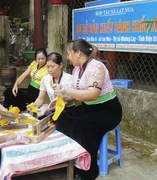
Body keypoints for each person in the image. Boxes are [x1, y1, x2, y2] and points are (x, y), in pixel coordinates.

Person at [52, 39, 122, 180]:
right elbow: (76, 93)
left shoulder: (96, 67)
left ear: (78, 53)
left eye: (69, 53)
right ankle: (72, 159)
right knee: (62, 117)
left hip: (108, 110)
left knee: (83, 126)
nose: (67, 57)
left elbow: (92, 94)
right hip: (89, 107)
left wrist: (67, 91)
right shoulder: (77, 69)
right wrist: (60, 100)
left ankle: (88, 172)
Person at [27, 52, 74, 118]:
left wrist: (49, 108)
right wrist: (34, 106)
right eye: (48, 67)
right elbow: (40, 99)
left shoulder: (69, 78)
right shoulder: (45, 79)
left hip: (67, 110)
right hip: (51, 110)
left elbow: (67, 100)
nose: (50, 70)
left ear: (60, 65)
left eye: (53, 67)